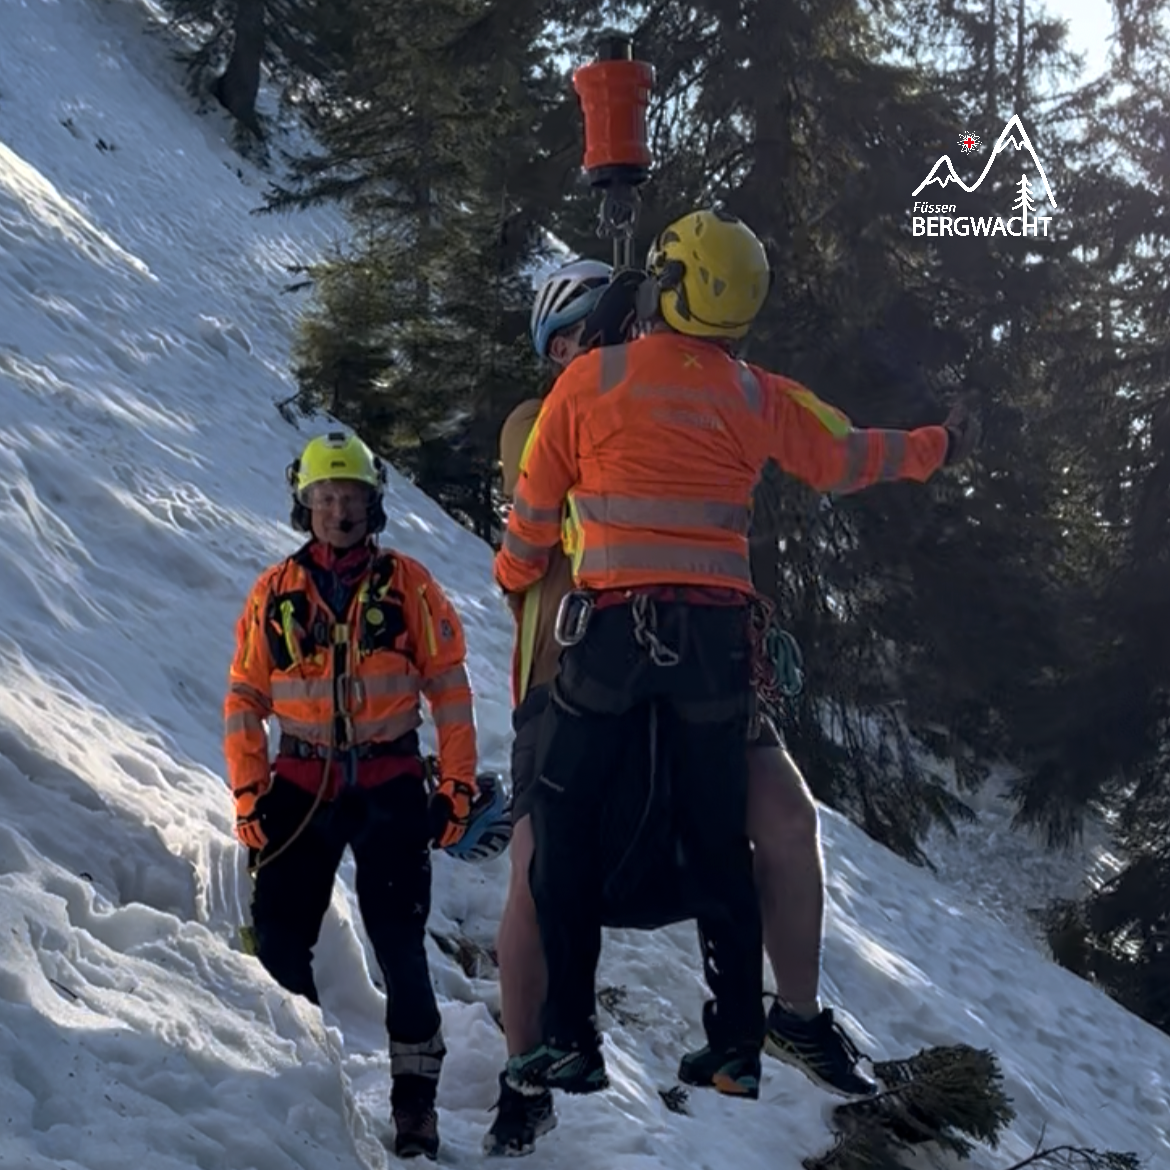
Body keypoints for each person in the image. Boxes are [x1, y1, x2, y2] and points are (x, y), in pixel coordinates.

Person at [492, 209, 977, 1108]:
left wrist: (513, 570)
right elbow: (844, 455)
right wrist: (935, 446)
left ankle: (561, 1042)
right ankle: (738, 1041)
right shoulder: (753, 394)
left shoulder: (587, 387)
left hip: (603, 649)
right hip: (714, 654)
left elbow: (528, 523)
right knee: (726, 838)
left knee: (552, 836)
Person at [224, 431, 480, 1161]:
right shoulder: (275, 593)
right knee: (279, 941)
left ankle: (415, 1110)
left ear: (375, 505)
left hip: (390, 782)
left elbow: (450, 689)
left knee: (401, 947)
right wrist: (249, 792)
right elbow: (245, 696)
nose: (339, 512)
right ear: (303, 506)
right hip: (301, 784)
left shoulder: (409, 585)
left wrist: (455, 785)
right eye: (325, 499)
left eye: (352, 499)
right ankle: (303, 1079)